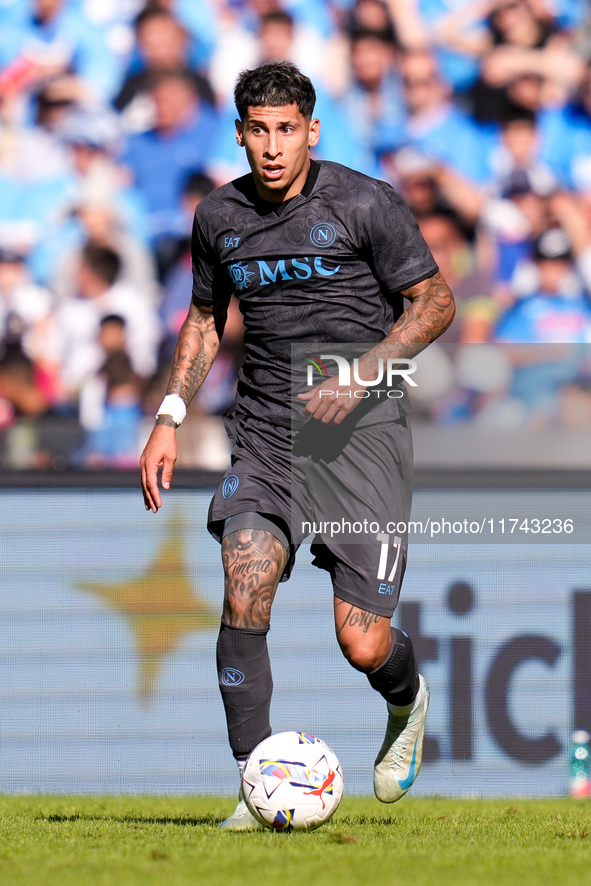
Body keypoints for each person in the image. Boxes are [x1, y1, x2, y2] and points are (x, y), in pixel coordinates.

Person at [140, 60, 455, 829]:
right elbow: (206, 318)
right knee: (245, 580)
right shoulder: (218, 218)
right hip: (267, 432)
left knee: (361, 641)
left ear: (312, 131)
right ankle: (256, 785)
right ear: (240, 134)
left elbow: (434, 301)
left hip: (362, 434)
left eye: (288, 130)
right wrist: (171, 411)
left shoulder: (364, 203)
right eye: (259, 131)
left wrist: (361, 375)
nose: (273, 146)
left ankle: (406, 700)